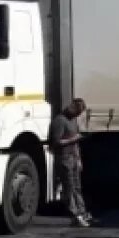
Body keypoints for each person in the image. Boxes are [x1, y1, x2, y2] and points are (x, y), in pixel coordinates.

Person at [50, 97, 92, 228]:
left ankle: (82, 212)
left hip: (73, 158)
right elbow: (56, 142)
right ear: (72, 107)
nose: (77, 115)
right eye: (77, 112)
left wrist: (79, 159)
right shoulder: (60, 121)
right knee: (69, 188)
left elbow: (77, 144)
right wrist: (73, 139)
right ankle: (75, 214)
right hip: (64, 158)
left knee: (77, 187)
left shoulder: (73, 121)